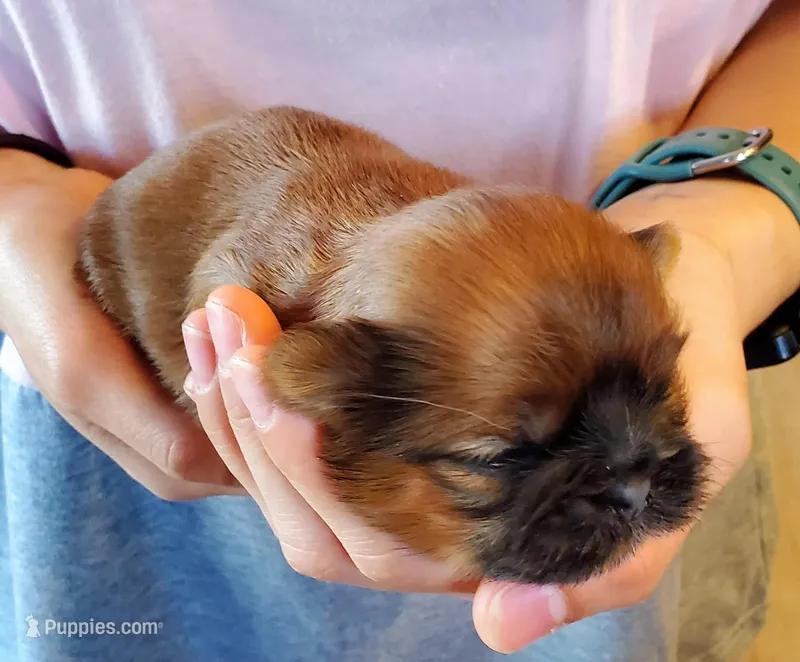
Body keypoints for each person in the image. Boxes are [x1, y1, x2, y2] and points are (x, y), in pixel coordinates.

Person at [0, 1, 798, 660]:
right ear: (335, 387)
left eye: (655, 386)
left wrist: (732, 206)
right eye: (508, 452)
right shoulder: (281, 321)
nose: (633, 479)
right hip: (102, 420)